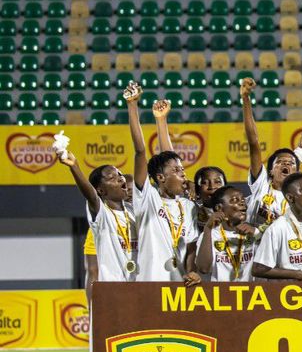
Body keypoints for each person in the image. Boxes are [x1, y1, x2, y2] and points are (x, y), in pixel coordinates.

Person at [125, 83, 200, 283]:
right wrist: (133, 106)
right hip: (149, 285)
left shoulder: (188, 206)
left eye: (183, 170)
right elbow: (140, 151)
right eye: (177, 172)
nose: (183, 175)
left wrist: (161, 121)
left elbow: (192, 247)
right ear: (160, 178)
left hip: (181, 286)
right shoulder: (147, 198)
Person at [241, 77, 302, 227]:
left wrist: (301, 151)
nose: (286, 164)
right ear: (270, 171)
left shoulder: (300, 197)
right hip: (256, 248)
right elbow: (254, 142)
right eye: (280, 162)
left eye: (290, 163)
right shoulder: (262, 184)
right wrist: (246, 99)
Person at [59, 150, 136, 283]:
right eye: (112, 178)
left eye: (120, 174)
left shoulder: (134, 213)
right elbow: (92, 197)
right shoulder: (102, 216)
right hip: (112, 289)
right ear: (101, 190)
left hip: (142, 287)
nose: (120, 178)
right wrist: (74, 166)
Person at [251, 172, 302, 281]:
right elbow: (258, 269)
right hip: (293, 294)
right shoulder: (277, 228)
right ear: (290, 198)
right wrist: (298, 274)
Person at [195, 186, 259, 282]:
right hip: (221, 294)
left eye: (243, 199)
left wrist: (257, 233)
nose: (242, 202)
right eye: (234, 200)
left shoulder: (253, 232)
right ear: (219, 208)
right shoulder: (211, 234)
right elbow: (204, 269)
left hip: (250, 294)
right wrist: (207, 229)